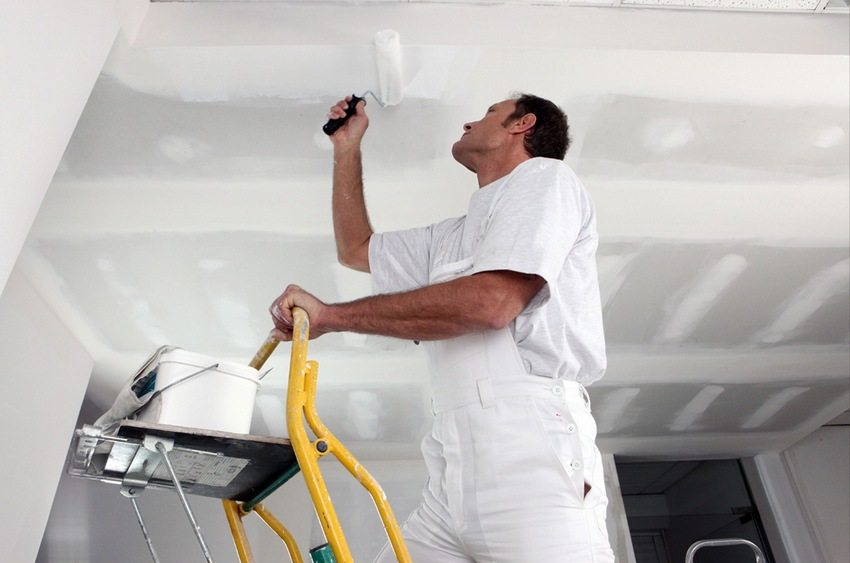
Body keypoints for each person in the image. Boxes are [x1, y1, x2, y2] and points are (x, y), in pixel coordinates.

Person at [270, 94, 614, 563]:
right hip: (454, 466)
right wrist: (347, 148)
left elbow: (493, 304)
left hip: (529, 455)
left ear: (522, 125)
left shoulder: (545, 179)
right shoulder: (453, 236)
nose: (472, 120)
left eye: (490, 112)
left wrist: (333, 316)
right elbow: (356, 249)